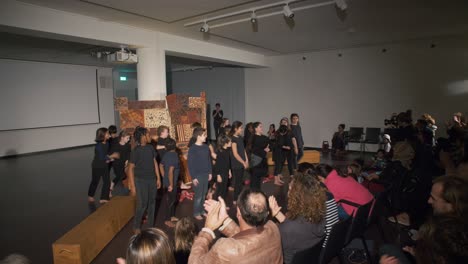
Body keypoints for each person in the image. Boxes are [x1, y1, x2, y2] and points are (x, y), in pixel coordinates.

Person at [188, 189, 283, 264]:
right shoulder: (273, 228)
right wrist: (224, 220)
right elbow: (249, 239)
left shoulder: (224, 249)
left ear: (238, 212)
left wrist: (207, 230)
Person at [269, 173, 326, 264]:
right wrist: (277, 214)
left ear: (297, 197)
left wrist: (268, 223)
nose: (288, 193)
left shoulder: (288, 228)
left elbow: (275, 248)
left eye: (290, 190)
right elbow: (298, 227)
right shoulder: (320, 215)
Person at [127, 126, 162, 233]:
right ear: (142, 136)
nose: (150, 136)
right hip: (140, 181)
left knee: (152, 203)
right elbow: (130, 168)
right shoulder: (135, 151)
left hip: (152, 179)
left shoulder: (151, 148)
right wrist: (132, 186)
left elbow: (155, 162)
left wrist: (158, 178)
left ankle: (150, 225)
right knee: (142, 204)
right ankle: (136, 226)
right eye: (148, 134)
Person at [187, 127, 212, 220]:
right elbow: (190, 164)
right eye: (204, 135)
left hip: (206, 174)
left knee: (204, 194)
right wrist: (193, 177)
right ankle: (196, 212)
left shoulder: (206, 147)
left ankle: (202, 210)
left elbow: (208, 161)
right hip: (198, 176)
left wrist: (210, 172)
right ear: (198, 136)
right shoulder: (193, 149)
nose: (206, 137)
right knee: (198, 195)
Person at [88, 127, 118, 203]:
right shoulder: (98, 146)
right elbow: (101, 157)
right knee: (95, 181)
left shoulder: (107, 143)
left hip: (104, 165)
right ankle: (90, 195)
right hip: (97, 166)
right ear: (102, 135)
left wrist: (109, 159)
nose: (109, 134)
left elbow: (105, 155)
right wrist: (112, 156)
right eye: (108, 133)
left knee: (107, 182)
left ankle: (103, 198)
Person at [160, 138, 180, 228]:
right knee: (170, 201)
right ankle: (167, 220)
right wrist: (171, 184)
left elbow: (161, 165)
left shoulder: (166, 154)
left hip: (168, 181)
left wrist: (164, 177)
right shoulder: (174, 155)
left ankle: (171, 216)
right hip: (171, 182)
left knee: (172, 200)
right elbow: (171, 171)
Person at [229, 121, 248, 203]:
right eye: (241, 128)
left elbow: (243, 150)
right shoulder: (233, 139)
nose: (242, 129)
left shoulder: (240, 138)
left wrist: (246, 160)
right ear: (236, 129)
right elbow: (235, 154)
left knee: (240, 181)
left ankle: (239, 197)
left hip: (242, 162)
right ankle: (235, 199)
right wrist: (243, 162)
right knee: (238, 182)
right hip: (236, 163)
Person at [247, 122, 270, 190]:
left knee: (259, 179)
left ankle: (257, 193)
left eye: (261, 126)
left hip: (262, 160)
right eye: (260, 126)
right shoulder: (253, 137)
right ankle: (253, 194)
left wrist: (268, 148)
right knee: (254, 179)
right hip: (256, 160)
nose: (262, 128)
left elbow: (271, 144)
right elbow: (253, 150)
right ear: (256, 128)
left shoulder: (264, 137)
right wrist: (264, 150)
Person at [109, 130, 131, 195]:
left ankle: (112, 187)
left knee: (122, 176)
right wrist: (111, 158)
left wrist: (127, 161)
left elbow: (128, 154)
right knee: (120, 175)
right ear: (122, 138)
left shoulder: (127, 146)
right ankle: (110, 187)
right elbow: (111, 154)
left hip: (123, 163)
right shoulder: (116, 146)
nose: (128, 139)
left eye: (129, 138)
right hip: (116, 164)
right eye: (127, 138)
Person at [213, 134, 232, 201]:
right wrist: (218, 175)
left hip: (226, 172)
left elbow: (228, 162)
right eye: (230, 142)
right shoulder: (220, 152)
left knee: (224, 189)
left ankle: (222, 204)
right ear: (225, 143)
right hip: (221, 173)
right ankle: (216, 205)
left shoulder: (227, 150)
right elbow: (217, 165)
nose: (231, 143)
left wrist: (229, 171)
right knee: (219, 190)